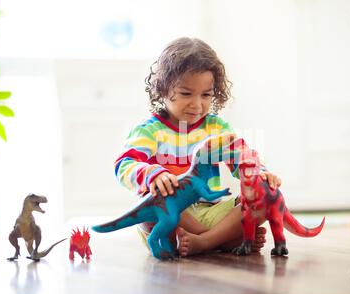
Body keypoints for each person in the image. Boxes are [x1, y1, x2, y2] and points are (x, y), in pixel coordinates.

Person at [114, 37, 281, 257]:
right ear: (163, 88)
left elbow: (242, 157)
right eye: (186, 93)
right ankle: (220, 239)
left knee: (264, 195)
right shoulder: (149, 131)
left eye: (206, 95)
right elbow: (124, 165)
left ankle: (203, 242)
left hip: (212, 211)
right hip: (172, 218)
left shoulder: (216, 127)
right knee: (154, 202)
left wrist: (260, 174)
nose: (197, 104)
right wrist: (152, 174)